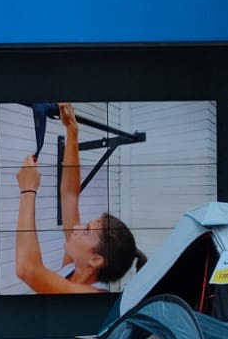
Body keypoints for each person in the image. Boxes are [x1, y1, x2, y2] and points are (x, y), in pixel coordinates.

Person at [14, 102, 145, 293]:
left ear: (95, 260)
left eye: (87, 230)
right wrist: (72, 130)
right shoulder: (73, 268)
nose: (76, 227)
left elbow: (27, 269)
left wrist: (27, 191)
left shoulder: (92, 294)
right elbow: (70, 196)